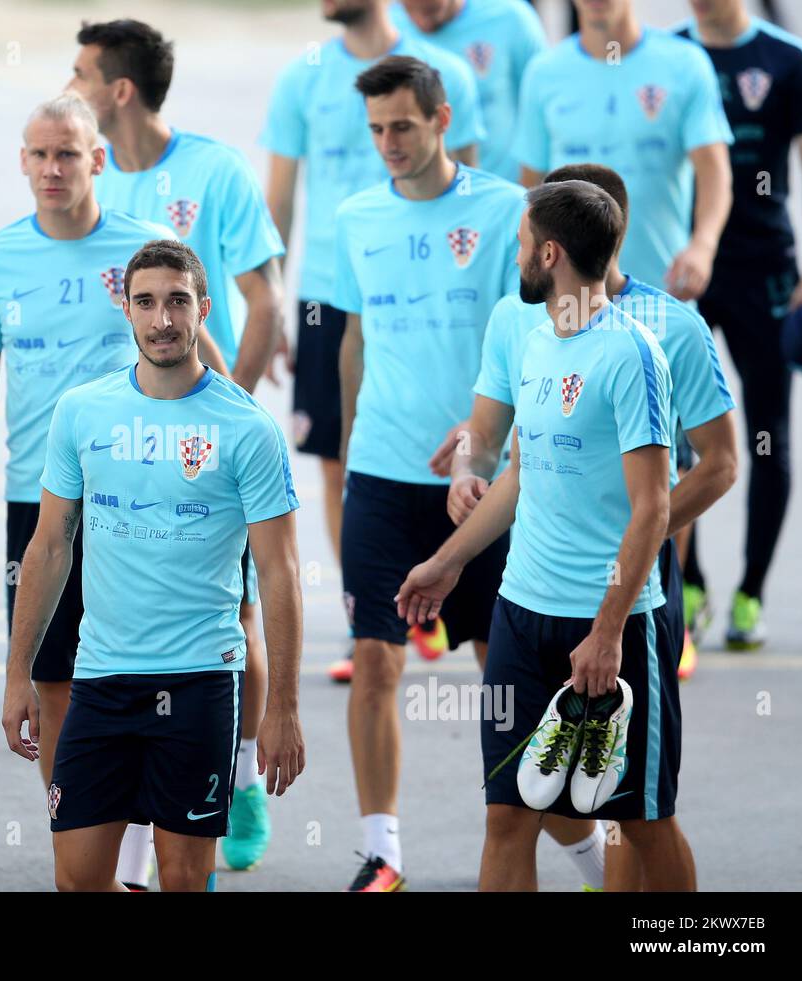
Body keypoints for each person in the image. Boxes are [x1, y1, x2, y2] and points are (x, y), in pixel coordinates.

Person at [435, 162, 736, 888]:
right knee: (510, 812)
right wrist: (452, 530)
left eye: (522, 240)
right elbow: (507, 450)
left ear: (557, 249)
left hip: (625, 602)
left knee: (639, 817)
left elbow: (718, 466)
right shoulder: (526, 325)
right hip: (525, 603)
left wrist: (629, 545)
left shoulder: (662, 334)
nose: (513, 254)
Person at [1, 240, 305, 892]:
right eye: (145, 301)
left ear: (203, 308)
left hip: (200, 679)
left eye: (176, 301)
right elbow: (49, 546)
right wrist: (16, 672)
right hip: (102, 677)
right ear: (126, 307)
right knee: (77, 879)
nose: (161, 319)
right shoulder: (82, 412)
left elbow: (279, 572)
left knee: (183, 879)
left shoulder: (247, 427)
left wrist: (281, 706)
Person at [0, 93, 178, 884]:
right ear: (22, 162)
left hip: (136, 497)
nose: (52, 169)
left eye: (68, 154)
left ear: (97, 160)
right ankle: (78, 849)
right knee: (53, 679)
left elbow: (193, 353)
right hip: (37, 501)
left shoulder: (145, 250)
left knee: (137, 673)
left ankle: (135, 861)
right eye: (39, 155)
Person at [67, 18, 287, 874]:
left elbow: (264, 300)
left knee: (233, 611)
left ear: (118, 89)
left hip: (203, 433)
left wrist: (231, 409)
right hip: (118, 433)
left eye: (81, 72)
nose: (71, 84)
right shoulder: (85, 172)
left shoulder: (214, 169)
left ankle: (238, 777)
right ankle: (127, 814)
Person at [333, 56, 525, 891]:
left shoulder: (506, 208)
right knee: (375, 659)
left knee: (504, 671)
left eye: (402, 126)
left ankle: (579, 846)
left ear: (442, 118)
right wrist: (345, 455)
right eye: (375, 129)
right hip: (379, 471)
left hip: (479, 482)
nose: (388, 144)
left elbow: (532, 339)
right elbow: (352, 339)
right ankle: (384, 852)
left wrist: (493, 445)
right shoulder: (355, 214)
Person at [262, 0, 486, 685]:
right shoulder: (302, 75)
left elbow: (471, 193)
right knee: (339, 460)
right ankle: (378, 613)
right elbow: (281, 196)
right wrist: (270, 298)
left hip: (434, 299)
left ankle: (444, 593)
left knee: (460, 451)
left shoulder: (439, 71)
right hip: (333, 293)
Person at [676, 0, 802, 649]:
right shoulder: (671, 55)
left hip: (766, 272)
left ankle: (752, 591)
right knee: (674, 433)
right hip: (685, 273)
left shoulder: (787, 60)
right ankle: (691, 581)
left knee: (767, 433)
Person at [514, 0, 733, 302]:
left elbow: (714, 172)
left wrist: (702, 247)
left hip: (662, 291)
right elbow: (530, 186)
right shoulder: (543, 73)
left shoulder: (685, 63)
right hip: (573, 302)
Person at [392, 0, 547, 182]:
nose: (421, 22)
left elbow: (543, 102)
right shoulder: (390, 28)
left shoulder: (510, 17)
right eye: (409, 8)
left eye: (431, 10)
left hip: (505, 186)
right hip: (425, 192)